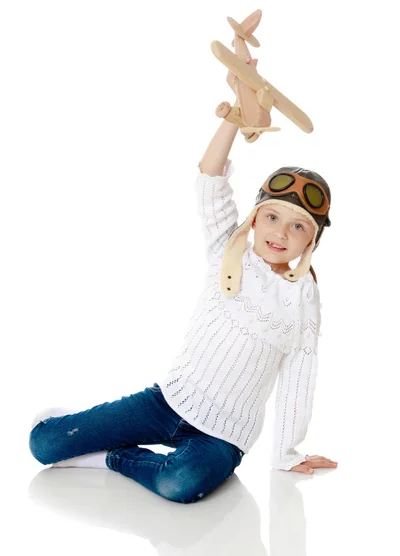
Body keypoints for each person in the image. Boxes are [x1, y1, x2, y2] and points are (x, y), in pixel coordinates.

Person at [29, 85, 338, 504]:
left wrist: (286, 453)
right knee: (43, 446)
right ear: (254, 218)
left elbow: (300, 379)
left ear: (312, 241)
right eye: (272, 216)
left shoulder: (303, 299)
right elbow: (210, 181)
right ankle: (82, 430)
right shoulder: (228, 249)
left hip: (224, 434)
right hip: (167, 401)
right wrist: (233, 117)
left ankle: (112, 459)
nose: (281, 232)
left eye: (298, 225)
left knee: (180, 484)